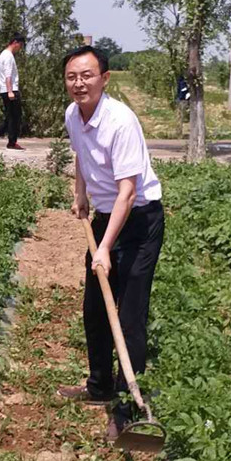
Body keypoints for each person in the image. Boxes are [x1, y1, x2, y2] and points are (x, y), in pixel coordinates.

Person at [58, 45, 164, 440]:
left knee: (130, 314)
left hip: (138, 222)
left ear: (104, 78)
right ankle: (99, 386)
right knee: (95, 308)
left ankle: (125, 409)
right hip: (104, 218)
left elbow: (128, 192)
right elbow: (81, 158)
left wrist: (104, 247)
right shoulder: (73, 114)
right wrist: (81, 193)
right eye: (72, 76)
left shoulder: (121, 121)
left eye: (87, 75)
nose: (79, 83)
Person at [0, 34, 26, 150]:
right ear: (15, 42)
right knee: (16, 117)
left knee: (10, 117)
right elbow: (8, 75)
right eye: (20, 45)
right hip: (10, 90)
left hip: (5, 90)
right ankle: (11, 142)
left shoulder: (3, 55)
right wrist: (10, 91)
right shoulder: (8, 56)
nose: (20, 48)